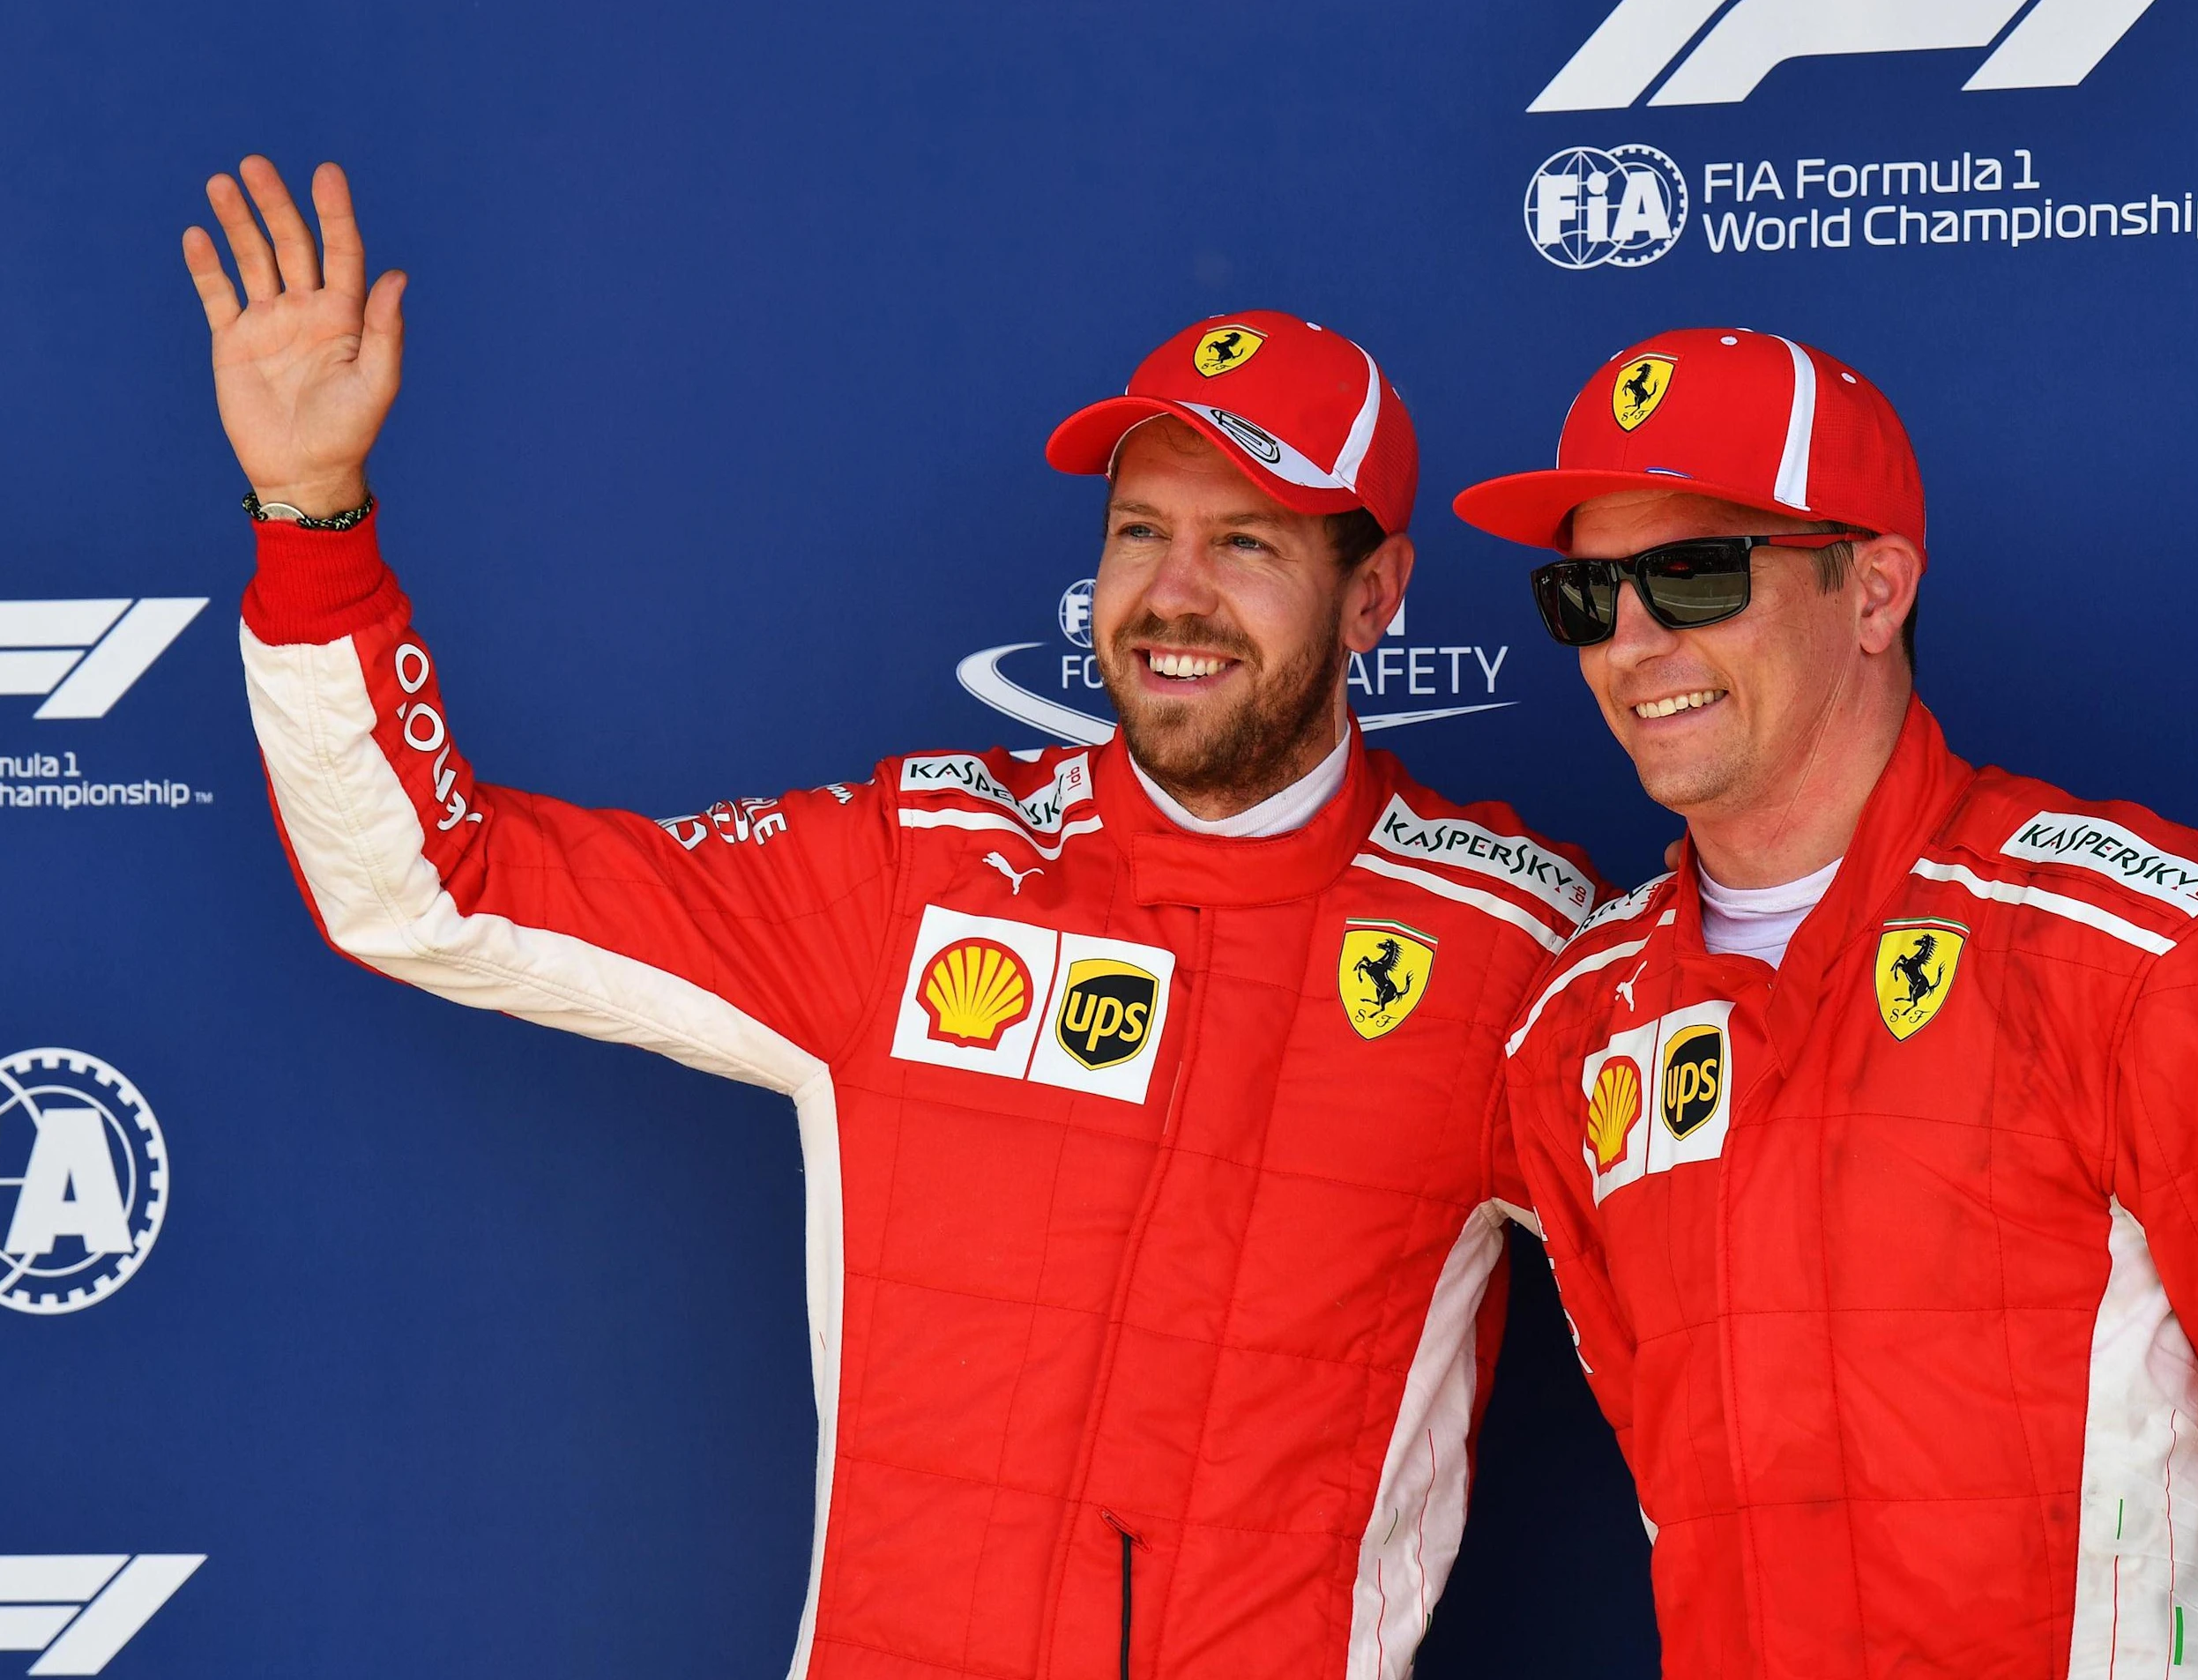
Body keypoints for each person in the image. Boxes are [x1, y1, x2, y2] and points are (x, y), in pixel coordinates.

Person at [183, 156, 1599, 1680]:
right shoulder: (919, 867)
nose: (1173, 594)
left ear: (1374, 595)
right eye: (1138, 533)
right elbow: (433, 891)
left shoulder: (1508, 948)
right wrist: (311, 519)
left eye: (1247, 542)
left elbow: (1775, 1314)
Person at [1454, 329, 2198, 1678]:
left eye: (1697, 575)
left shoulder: (2160, 951)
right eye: (1584, 598)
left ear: (1875, 591)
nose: (1632, 642)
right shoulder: (1578, 1025)